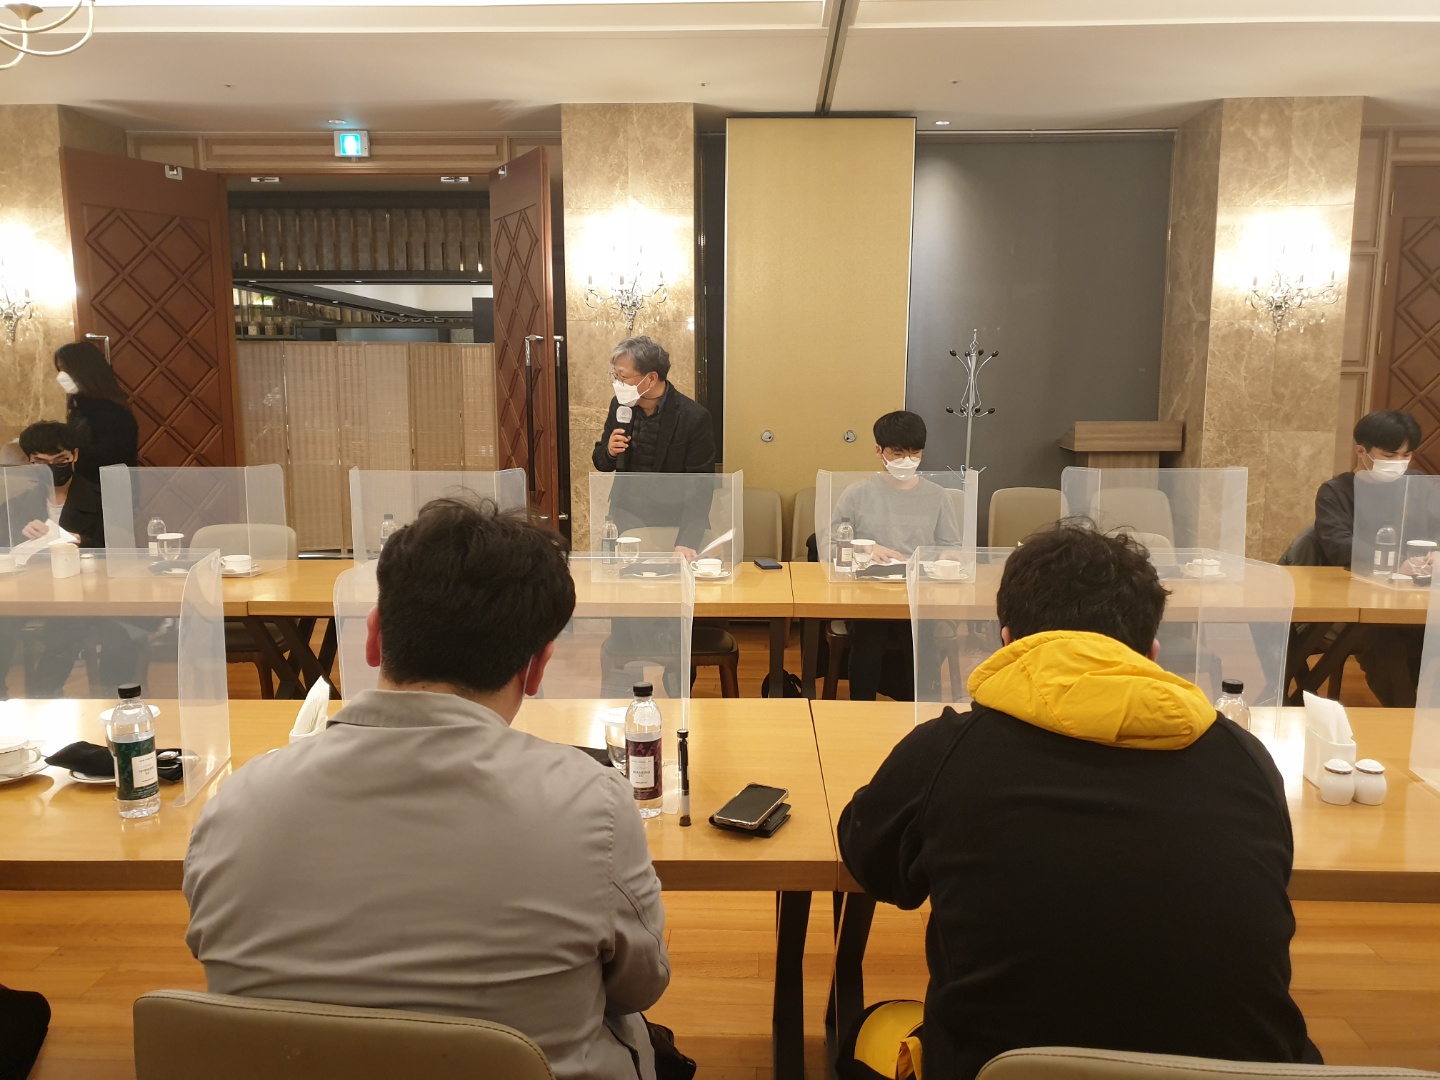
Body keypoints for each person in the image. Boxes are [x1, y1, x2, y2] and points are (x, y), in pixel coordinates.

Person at [183, 498, 670, 1080]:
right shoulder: (594, 807)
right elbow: (641, 985)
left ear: (373, 637)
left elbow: (213, 957)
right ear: (536, 668)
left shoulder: (235, 805)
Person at [838, 522, 1319, 1080]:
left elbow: (874, 866)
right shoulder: (1246, 756)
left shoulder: (946, 751)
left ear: (1007, 641)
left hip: (1003, 1069)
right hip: (1248, 1073)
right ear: (1151, 652)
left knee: (872, 1028)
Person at [832, 411, 964, 701]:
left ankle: (920, 710)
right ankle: (862, 708)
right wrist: (868, 548)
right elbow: (832, 544)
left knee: (921, 643)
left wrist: (945, 559)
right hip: (869, 591)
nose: (907, 460)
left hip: (918, 591)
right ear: (879, 451)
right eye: (898, 453)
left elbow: (951, 545)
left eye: (915, 453)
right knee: (868, 640)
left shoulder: (937, 496)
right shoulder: (857, 494)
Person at [1312, 409, 1426, 706]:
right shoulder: (1336, 492)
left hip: (1414, 601)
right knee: (1382, 642)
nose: (1398, 463)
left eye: (1406, 455)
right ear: (1361, 451)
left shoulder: (1416, 486)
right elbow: (1339, 546)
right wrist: (1398, 562)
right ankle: (1406, 718)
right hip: (1356, 605)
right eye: (1389, 455)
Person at [592, 336, 717, 559]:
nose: (618, 383)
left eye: (623, 377)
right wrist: (609, 451)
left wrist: (687, 542)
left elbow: (700, 486)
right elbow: (601, 462)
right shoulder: (619, 405)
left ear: (650, 379)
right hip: (626, 515)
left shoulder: (694, 417)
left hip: (672, 519)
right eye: (615, 376)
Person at [53, 340, 138, 484]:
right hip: (89, 487)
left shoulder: (111, 411)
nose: (61, 377)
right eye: (59, 370)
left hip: (109, 489)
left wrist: (65, 453)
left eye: (65, 370)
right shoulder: (80, 406)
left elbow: (110, 456)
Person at [17, 420, 106, 550]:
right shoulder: (18, 505)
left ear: (75, 455)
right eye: (41, 462)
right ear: (29, 460)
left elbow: (121, 550)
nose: (51, 467)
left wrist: (82, 542)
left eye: (60, 459)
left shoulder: (103, 502)